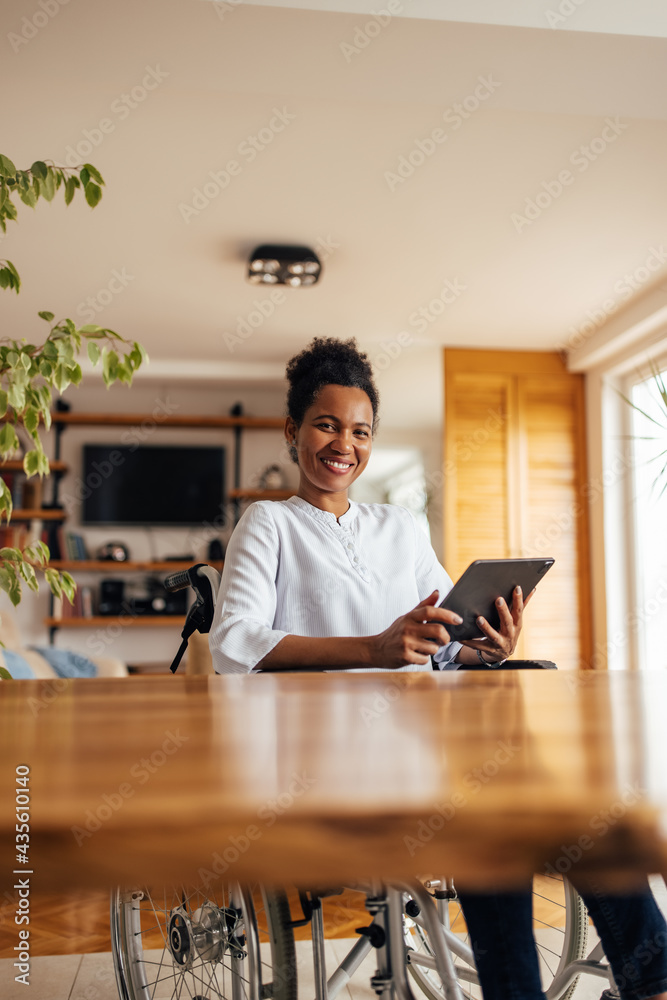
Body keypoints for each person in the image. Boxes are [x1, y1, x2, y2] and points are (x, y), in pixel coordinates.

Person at [210, 336, 667, 1000]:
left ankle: (651, 978)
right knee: (485, 818)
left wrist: (483, 645)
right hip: (323, 754)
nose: (344, 443)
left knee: (568, 800)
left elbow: (444, 638)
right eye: (327, 424)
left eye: (360, 430)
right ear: (293, 430)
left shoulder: (399, 525)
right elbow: (235, 642)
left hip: (424, 735)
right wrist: (372, 649)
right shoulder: (269, 524)